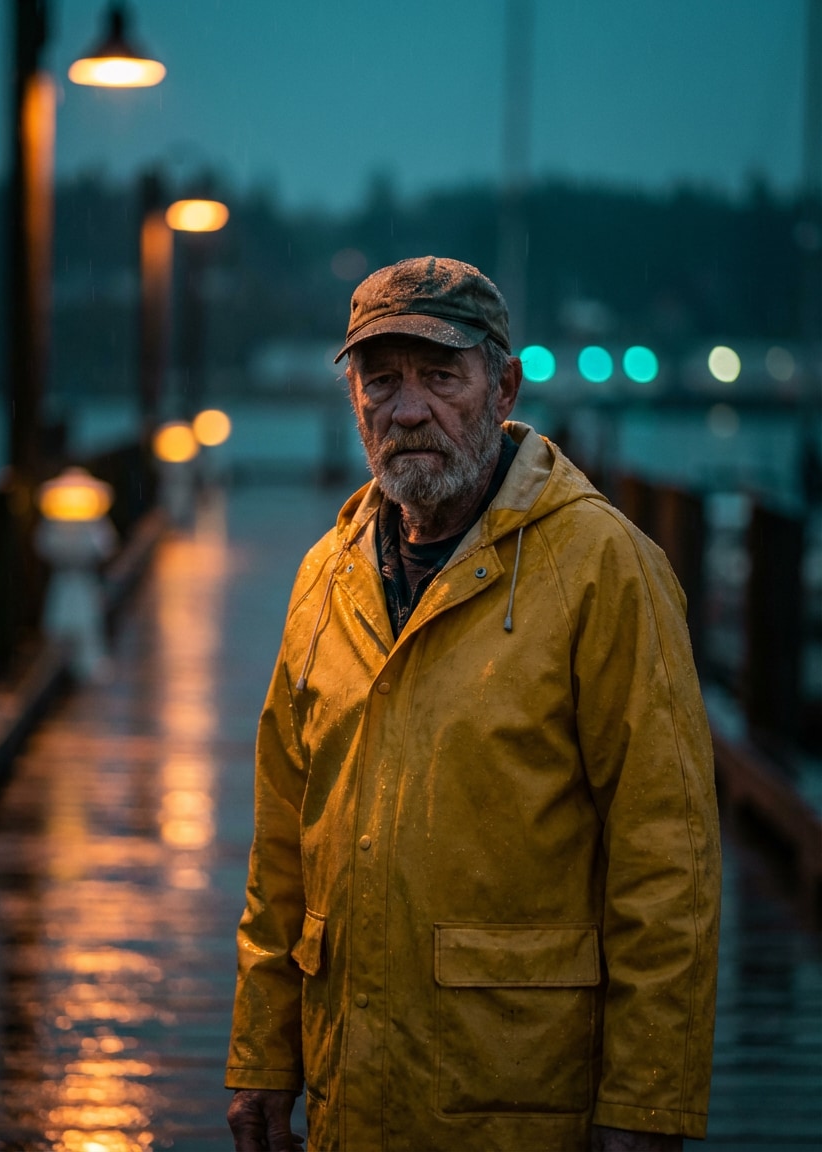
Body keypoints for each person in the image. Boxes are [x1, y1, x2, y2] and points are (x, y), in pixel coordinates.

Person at [226, 256, 721, 1152]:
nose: (406, 409)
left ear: (504, 387)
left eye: (440, 377)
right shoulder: (324, 577)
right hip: (352, 1094)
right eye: (381, 381)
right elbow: (280, 848)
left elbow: (667, 861)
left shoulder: (604, 567)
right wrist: (262, 1054)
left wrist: (647, 1105)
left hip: (522, 1100)